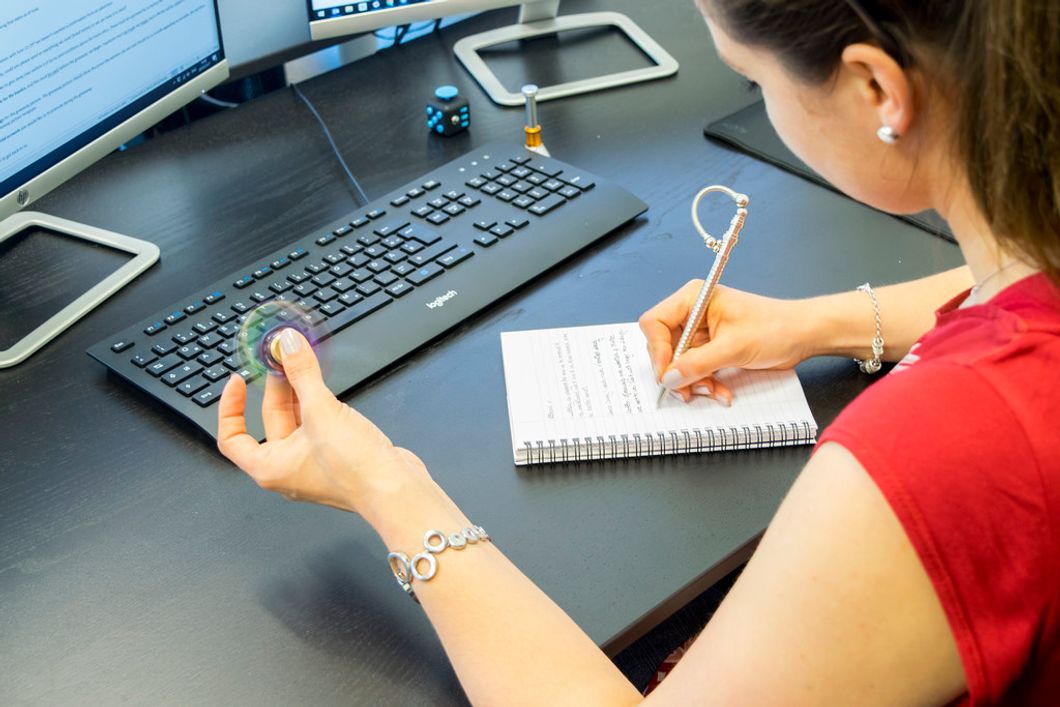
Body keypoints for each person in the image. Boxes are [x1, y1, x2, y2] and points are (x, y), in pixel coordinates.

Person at [217, 0, 1060, 703]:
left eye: (750, 79)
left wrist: (387, 485)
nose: (756, 98)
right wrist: (813, 324)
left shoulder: (946, 453)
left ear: (878, 88)